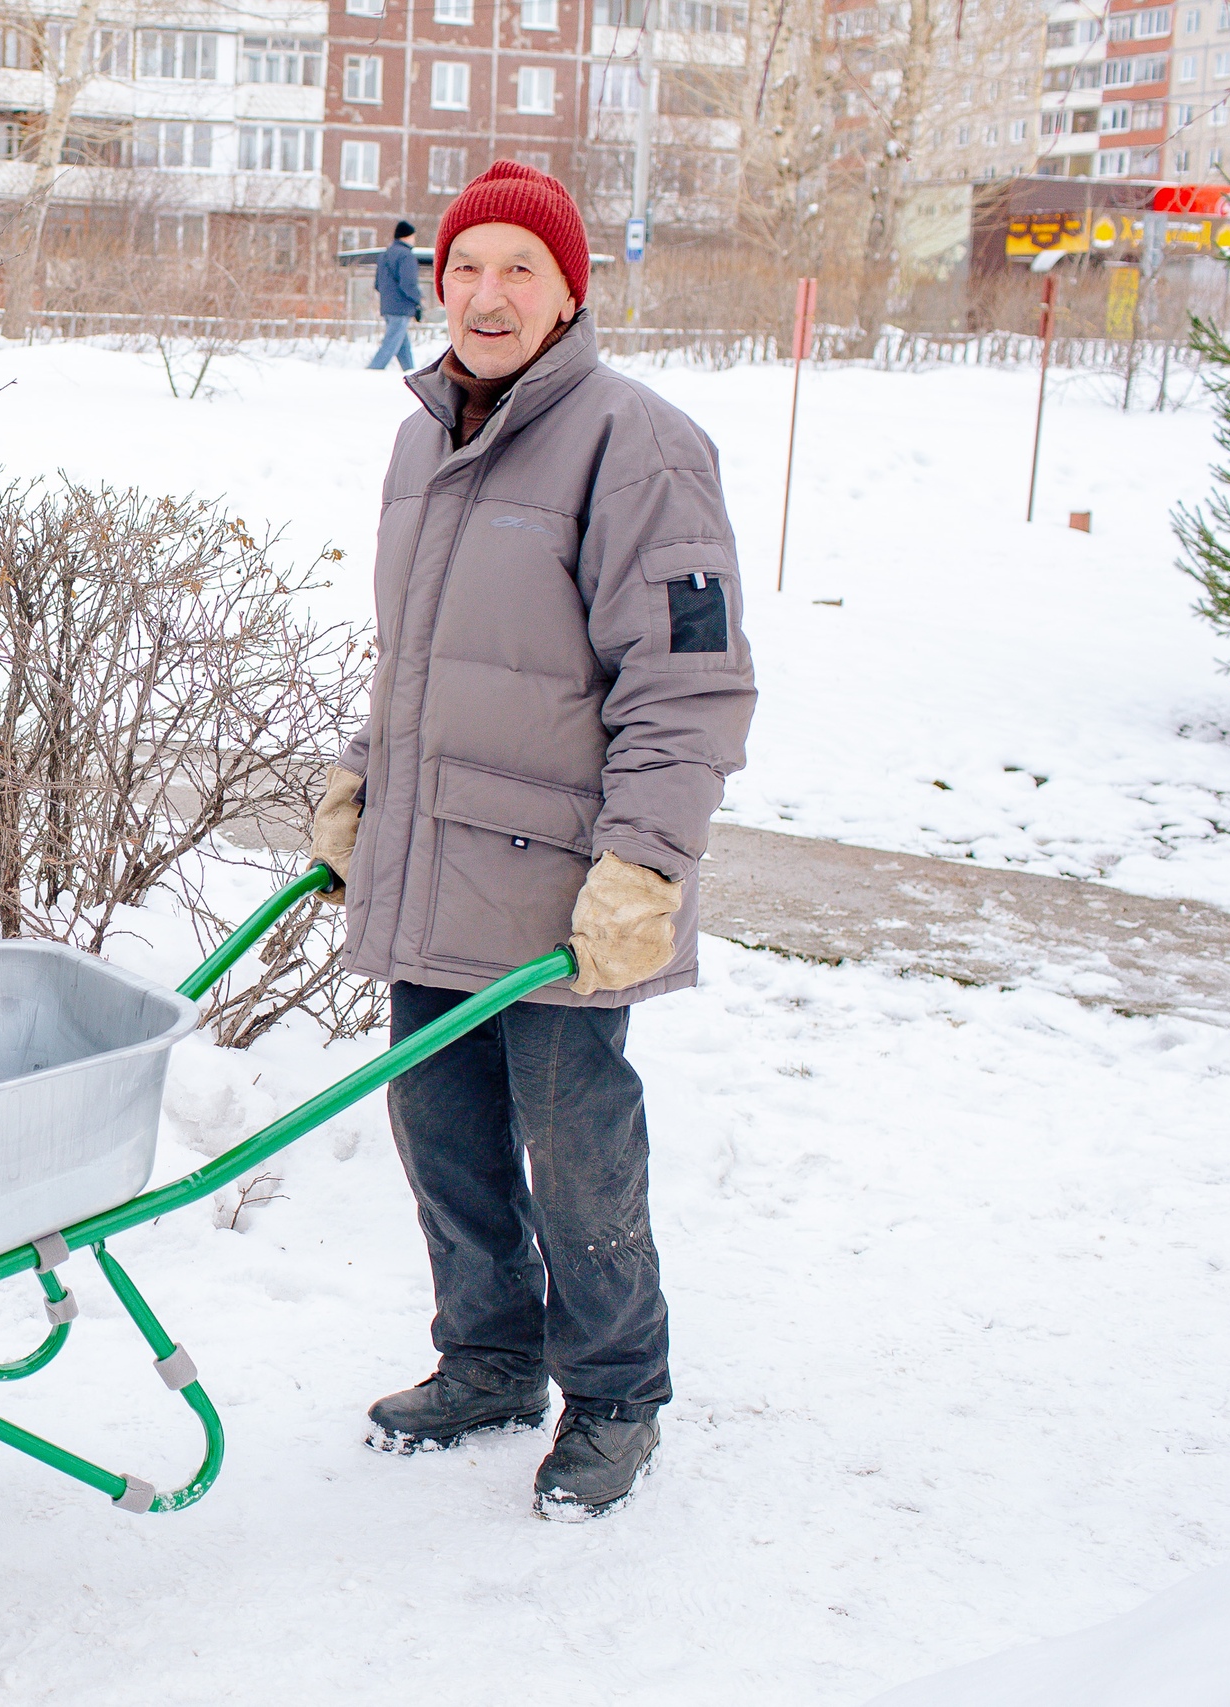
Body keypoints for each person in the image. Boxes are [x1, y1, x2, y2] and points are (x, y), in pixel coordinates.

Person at [309, 161, 756, 1519]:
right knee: (440, 1125)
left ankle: (616, 1390)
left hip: (567, 887)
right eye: (467, 267)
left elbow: (690, 679)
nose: (488, 294)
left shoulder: (639, 442)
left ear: (570, 292)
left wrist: (649, 859)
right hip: (435, 859)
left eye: (521, 269)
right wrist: (363, 773)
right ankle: (490, 1356)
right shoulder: (425, 439)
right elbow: (428, 660)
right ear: (434, 282)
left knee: (575, 1147)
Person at [365, 220, 423, 371]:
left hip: (387, 306)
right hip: (401, 306)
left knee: (402, 344)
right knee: (390, 344)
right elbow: (408, 283)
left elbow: (378, 284)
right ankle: (372, 371)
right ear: (406, 236)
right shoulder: (406, 256)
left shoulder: (384, 255)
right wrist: (418, 299)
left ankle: (410, 372)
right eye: (413, 236)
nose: (414, 239)